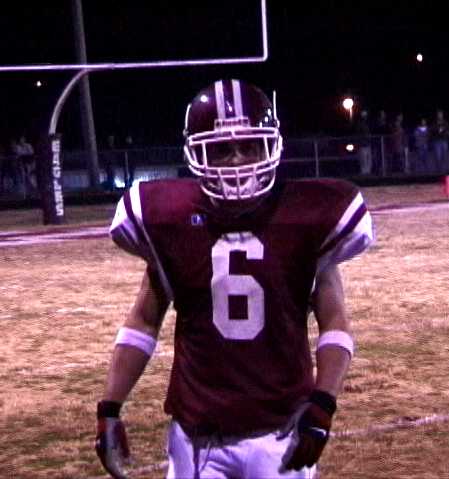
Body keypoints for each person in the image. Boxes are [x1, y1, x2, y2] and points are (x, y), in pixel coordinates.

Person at [95, 79, 375, 479]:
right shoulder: (170, 219)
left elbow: (335, 320)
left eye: (249, 146)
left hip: (281, 432)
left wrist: (323, 404)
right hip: (197, 438)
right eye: (222, 149)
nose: (237, 160)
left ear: (270, 146)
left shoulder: (308, 217)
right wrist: (109, 406)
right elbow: (143, 319)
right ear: (196, 152)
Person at [430, 109, 449, 174]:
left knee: (444, 156)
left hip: (444, 141)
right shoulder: (435, 123)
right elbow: (432, 131)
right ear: (437, 115)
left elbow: (448, 131)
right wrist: (439, 130)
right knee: (438, 156)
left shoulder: (445, 123)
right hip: (437, 141)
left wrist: (445, 133)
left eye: (441, 114)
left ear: (442, 115)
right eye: (439, 114)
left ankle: (444, 170)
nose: (440, 115)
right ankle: (438, 170)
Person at [354, 110, 372, 175]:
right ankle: (364, 172)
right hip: (362, 144)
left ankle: (368, 171)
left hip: (368, 144)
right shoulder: (360, 124)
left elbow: (369, 133)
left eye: (365, 116)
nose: (365, 117)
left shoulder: (368, 124)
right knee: (363, 159)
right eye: (364, 116)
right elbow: (358, 133)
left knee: (368, 159)